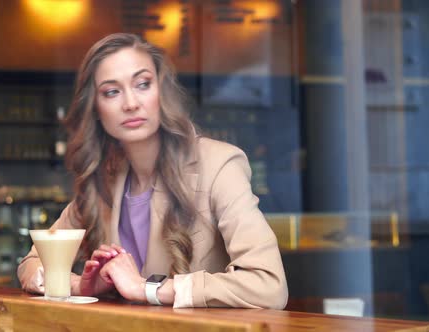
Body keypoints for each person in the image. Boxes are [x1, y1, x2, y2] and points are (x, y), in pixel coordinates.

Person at [17, 33, 288, 309]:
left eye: (143, 84)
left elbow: (267, 285)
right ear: (96, 108)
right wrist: (79, 285)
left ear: (162, 91)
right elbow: (31, 263)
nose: (131, 103)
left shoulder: (218, 165)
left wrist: (148, 288)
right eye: (112, 91)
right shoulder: (103, 181)